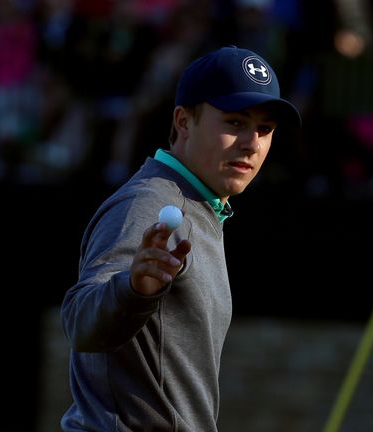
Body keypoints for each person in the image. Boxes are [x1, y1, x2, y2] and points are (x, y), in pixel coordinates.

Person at [59, 45, 300, 431]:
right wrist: (132, 290)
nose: (252, 143)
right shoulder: (149, 204)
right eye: (235, 123)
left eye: (264, 129)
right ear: (183, 122)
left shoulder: (198, 205)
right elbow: (79, 321)